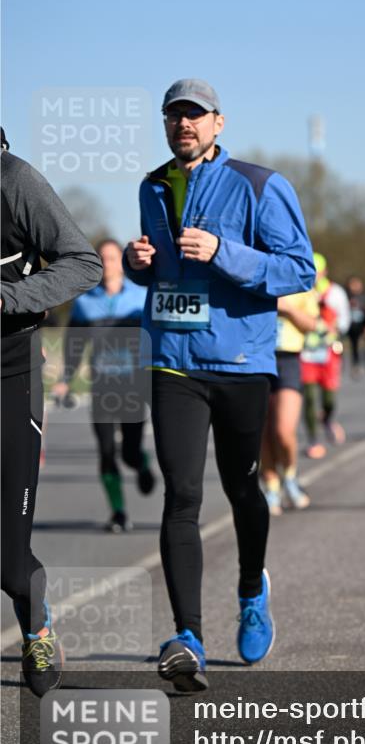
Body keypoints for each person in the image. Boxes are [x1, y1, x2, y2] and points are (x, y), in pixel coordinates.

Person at [123, 79, 314, 692]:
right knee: (181, 493)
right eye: (174, 116)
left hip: (239, 362)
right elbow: (158, 271)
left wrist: (225, 251)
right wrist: (137, 265)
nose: (185, 124)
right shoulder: (154, 185)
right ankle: (189, 638)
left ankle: (252, 590)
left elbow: (298, 270)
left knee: (242, 486)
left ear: (218, 123)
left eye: (195, 116)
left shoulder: (262, 185)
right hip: (173, 360)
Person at [1, 129, 102, 696]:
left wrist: (8, 296)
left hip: (9, 377)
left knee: (9, 561)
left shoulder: (14, 180)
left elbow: (82, 263)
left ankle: (36, 627)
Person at [51, 238, 155, 532]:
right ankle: (119, 512)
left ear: (121, 263)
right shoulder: (85, 303)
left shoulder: (141, 297)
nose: (108, 264)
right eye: (103, 259)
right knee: (106, 450)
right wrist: (65, 381)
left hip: (134, 385)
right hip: (103, 386)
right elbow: (74, 346)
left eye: (112, 258)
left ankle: (141, 462)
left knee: (129, 452)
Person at [260, 289, 319, 515]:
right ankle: (271, 487)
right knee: (263, 432)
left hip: (287, 359)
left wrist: (288, 309)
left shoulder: (298, 279)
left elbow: (312, 324)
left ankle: (290, 476)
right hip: (256, 356)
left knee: (283, 430)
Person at [300, 253, 351, 459]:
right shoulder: (301, 291)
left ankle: (328, 418)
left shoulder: (335, 293)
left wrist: (334, 329)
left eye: (317, 272)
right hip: (305, 353)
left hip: (328, 353)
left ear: (324, 272)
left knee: (329, 399)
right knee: (310, 398)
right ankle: (313, 440)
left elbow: (344, 321)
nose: (314, 276)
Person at [345, 275, 365, 377]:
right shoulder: (346, 297)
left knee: (361, 346)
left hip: (361, 326)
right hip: (350, 326)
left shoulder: (364, 298)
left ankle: (360, 364)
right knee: (353, 346)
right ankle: (354, 364)